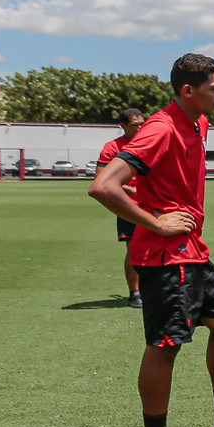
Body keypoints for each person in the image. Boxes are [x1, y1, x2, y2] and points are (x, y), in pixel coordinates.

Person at [89, 54, 214, 427]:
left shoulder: (198, 121)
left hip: (192, 251)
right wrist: (155, 222)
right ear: (187, 91)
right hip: (166, 257)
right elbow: (103, 186)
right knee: (165, 346)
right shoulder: (160, 128)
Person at [96, 107, 146, 307]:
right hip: (128, 206)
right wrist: (130, 189)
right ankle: (135, 293)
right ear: (123, 126)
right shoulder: (113, 147)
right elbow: (100, 178)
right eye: (135, 125)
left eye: (142, 123)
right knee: (134, 249)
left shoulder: (151, 142)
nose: (140, 128)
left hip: (153, 203)